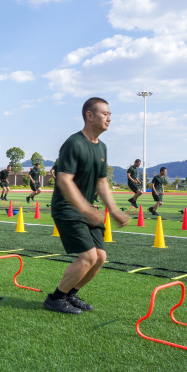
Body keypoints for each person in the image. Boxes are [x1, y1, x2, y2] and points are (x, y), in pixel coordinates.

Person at [45, 97, 129, 315]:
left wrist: (115, 210)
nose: (109, 118)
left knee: (100, 258)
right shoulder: (73, 143)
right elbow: (64, 180)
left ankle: (69, 294)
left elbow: (102, 182)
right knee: (88, 257)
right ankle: (55, 298)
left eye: (110, 114)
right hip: (67, 209)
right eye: (105, 114)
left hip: (86, 211)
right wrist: (86, 209)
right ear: (89, 116)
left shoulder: (101, 147)